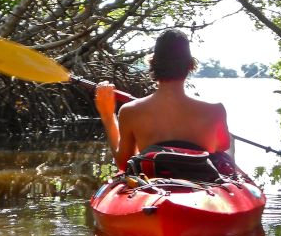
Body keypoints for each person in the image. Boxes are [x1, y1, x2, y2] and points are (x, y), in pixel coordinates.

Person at [95, 29, 231, 171]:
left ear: (152, 63)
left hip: (154, 183)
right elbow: (223, 146)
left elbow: (124, 164)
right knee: (230, 142)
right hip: (202, 183)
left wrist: (108, 116)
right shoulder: (215, 110)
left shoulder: (130, 111)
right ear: (190, 65)